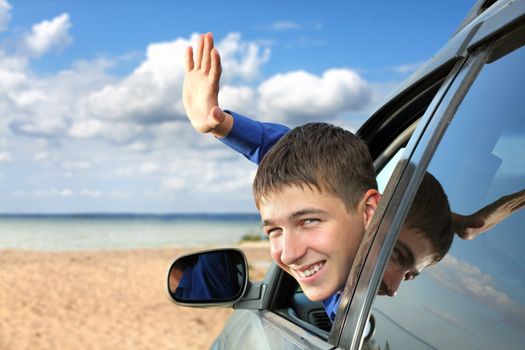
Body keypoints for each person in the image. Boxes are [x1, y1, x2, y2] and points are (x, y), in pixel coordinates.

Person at [182, 32, 454, 321]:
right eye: (273, 230)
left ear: (370, 212)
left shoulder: (352, 302)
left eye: (309, 221)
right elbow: (310, 171)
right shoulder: (344, 291)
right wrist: (221, 125)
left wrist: (224, 127)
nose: (287, 255)